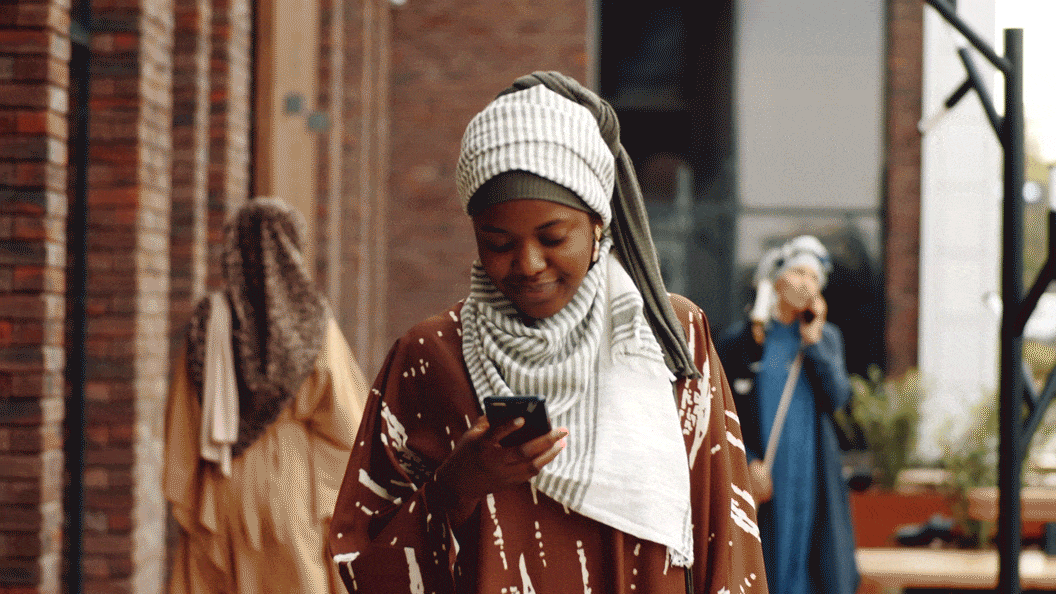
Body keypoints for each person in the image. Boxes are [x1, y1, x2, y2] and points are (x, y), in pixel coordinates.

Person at [327, 71, 767, 594]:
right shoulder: (429, 356)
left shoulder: (669, 337)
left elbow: (724, 533)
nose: (528, 263)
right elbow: (357, 564)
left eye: (553, 236)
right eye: (497, 241)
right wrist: (454, 487)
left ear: (598, 222)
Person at [164, 197, 370, 594]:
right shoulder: (312, 322)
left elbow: (185, 416)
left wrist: (189, 484)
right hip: (292, 487)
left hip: (221, 482)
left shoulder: (209, 320)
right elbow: (347, 421)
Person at [716, 235, 858, 594]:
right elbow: (719, 412)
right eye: (799, 273)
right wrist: (745, 464)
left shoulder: (826, 339)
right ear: (777, 280)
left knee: (811, 564)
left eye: (814, 278)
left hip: (810, 475)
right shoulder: (742, 341)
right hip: (762, 477)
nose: (807, 284)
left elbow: (838, 398)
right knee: (762, 561)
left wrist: (814, 343)